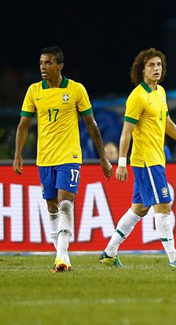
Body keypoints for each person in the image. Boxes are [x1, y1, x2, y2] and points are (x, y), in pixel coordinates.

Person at [13, 46, 113, 273]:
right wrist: (18, 154)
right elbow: (23, 125)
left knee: (66, 202)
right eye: (40, 63)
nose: (43, 67)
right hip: (45, 158)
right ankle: (60, 251)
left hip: (70, 156)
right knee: (51, 206)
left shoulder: (76, 90)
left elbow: (91, 124)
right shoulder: (34, 91)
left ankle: (62, 255)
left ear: (60, 66)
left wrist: (103, 157)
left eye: (48, 63)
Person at [99, 48, 176, 268]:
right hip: (146, 160)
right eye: (151, 65)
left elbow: (167, 123)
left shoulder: (160, 92)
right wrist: (122, 163)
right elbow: (126, 132)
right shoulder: (137, 96)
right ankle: (174, 258)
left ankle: (109, 252)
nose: (156, 69)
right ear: (142, 70)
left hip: (156, 158)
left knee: (139, 208)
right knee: (164, 204)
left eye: (159, 65)